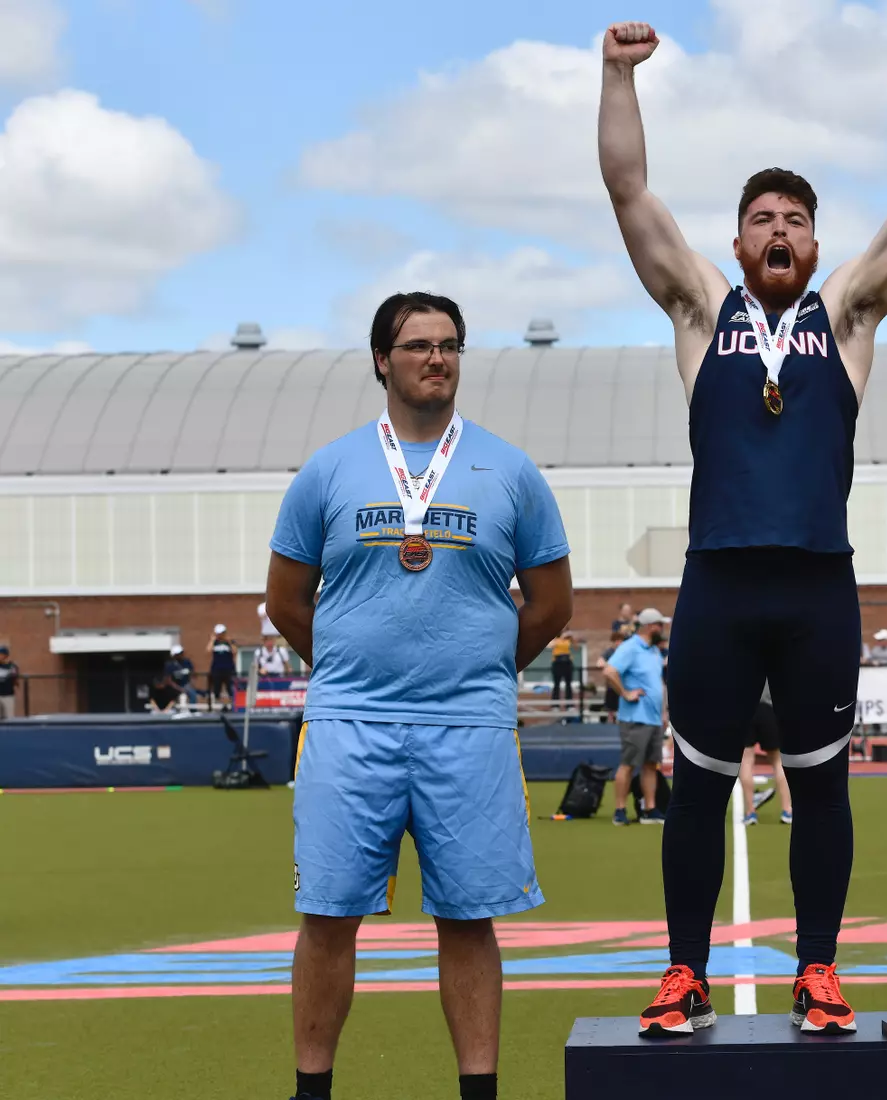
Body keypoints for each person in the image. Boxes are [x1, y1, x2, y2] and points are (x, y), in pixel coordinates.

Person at [599, 19, 887, 1038]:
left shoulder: (847, 316)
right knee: (695, 792)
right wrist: (618, 75)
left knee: (823, 788)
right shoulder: (699, 310)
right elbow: (631, 194)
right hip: (719, 586)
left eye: (796, 219)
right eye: (762, 218)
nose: (779, 231)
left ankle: (818, 967)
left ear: (816, 243)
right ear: (735, 242)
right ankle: (685, 968)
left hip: (818, 586)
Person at [265, 291, 574, 1100]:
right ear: (381, 360)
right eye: (417, 345)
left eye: (449, 345)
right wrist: (347, 670)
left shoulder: (510, 470)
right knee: (328, 919)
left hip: (468, 730)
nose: (436, 358)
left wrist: (475, 672)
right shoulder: (328, 470)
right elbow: (287, 602)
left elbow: (551, 606)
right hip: (349, 726)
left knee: (469, 920)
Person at [605, 609, 669, 826]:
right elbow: (609, 671)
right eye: (660, 625)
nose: (663, 629)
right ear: (651, 626)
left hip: (653, 718)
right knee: (629, 764)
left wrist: (663, 712)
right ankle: (619, 810)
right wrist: (625, 693)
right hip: (635, 717)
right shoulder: (631, 647)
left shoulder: (653, 651)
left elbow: (658, 684)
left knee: (651, 764)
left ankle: (649, 809)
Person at [740, 684, 793, 826]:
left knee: (746, 761)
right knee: (777, 761)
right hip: (769, 708)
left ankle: (750, 812)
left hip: (746, 708)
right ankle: (787, 810)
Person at [208, 624, 238, 711]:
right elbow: (208, 651)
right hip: (217, 669)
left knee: (230, 689)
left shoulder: (230, 642)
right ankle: (221, 706)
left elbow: (235, 651)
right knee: (217, 689)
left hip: (228, 669)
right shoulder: (214, 643)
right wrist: (212, 640)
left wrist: (229, 642)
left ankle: (230, 706)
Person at [165, 644, 197, 709]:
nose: (181, 655)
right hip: (175, 686)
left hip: (186, 685)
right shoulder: (170, 665)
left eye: (181, 653)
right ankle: (174, 710)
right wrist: (179, 688)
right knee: (177, 696)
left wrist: (191, 684)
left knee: (193, 694)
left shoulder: (187, 662)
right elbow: (169, 680)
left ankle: (192, 711)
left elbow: (193, 674)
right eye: (178, 653)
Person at [549, 632, 575, 702]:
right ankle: (555, 705)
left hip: (567, 662)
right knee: (556, 684)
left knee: (568, 684)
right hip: (557, 662)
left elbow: (576, 647)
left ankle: (569, 704)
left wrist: (572, 638)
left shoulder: (568, 640)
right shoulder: (555, 640)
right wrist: (561, 638)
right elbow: (550, 645)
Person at [0, 644, 18, 719]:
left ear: (5, 656)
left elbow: (14, 677)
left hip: (8, 695)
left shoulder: (12, 666)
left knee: (9, 717)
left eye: (1, 654)